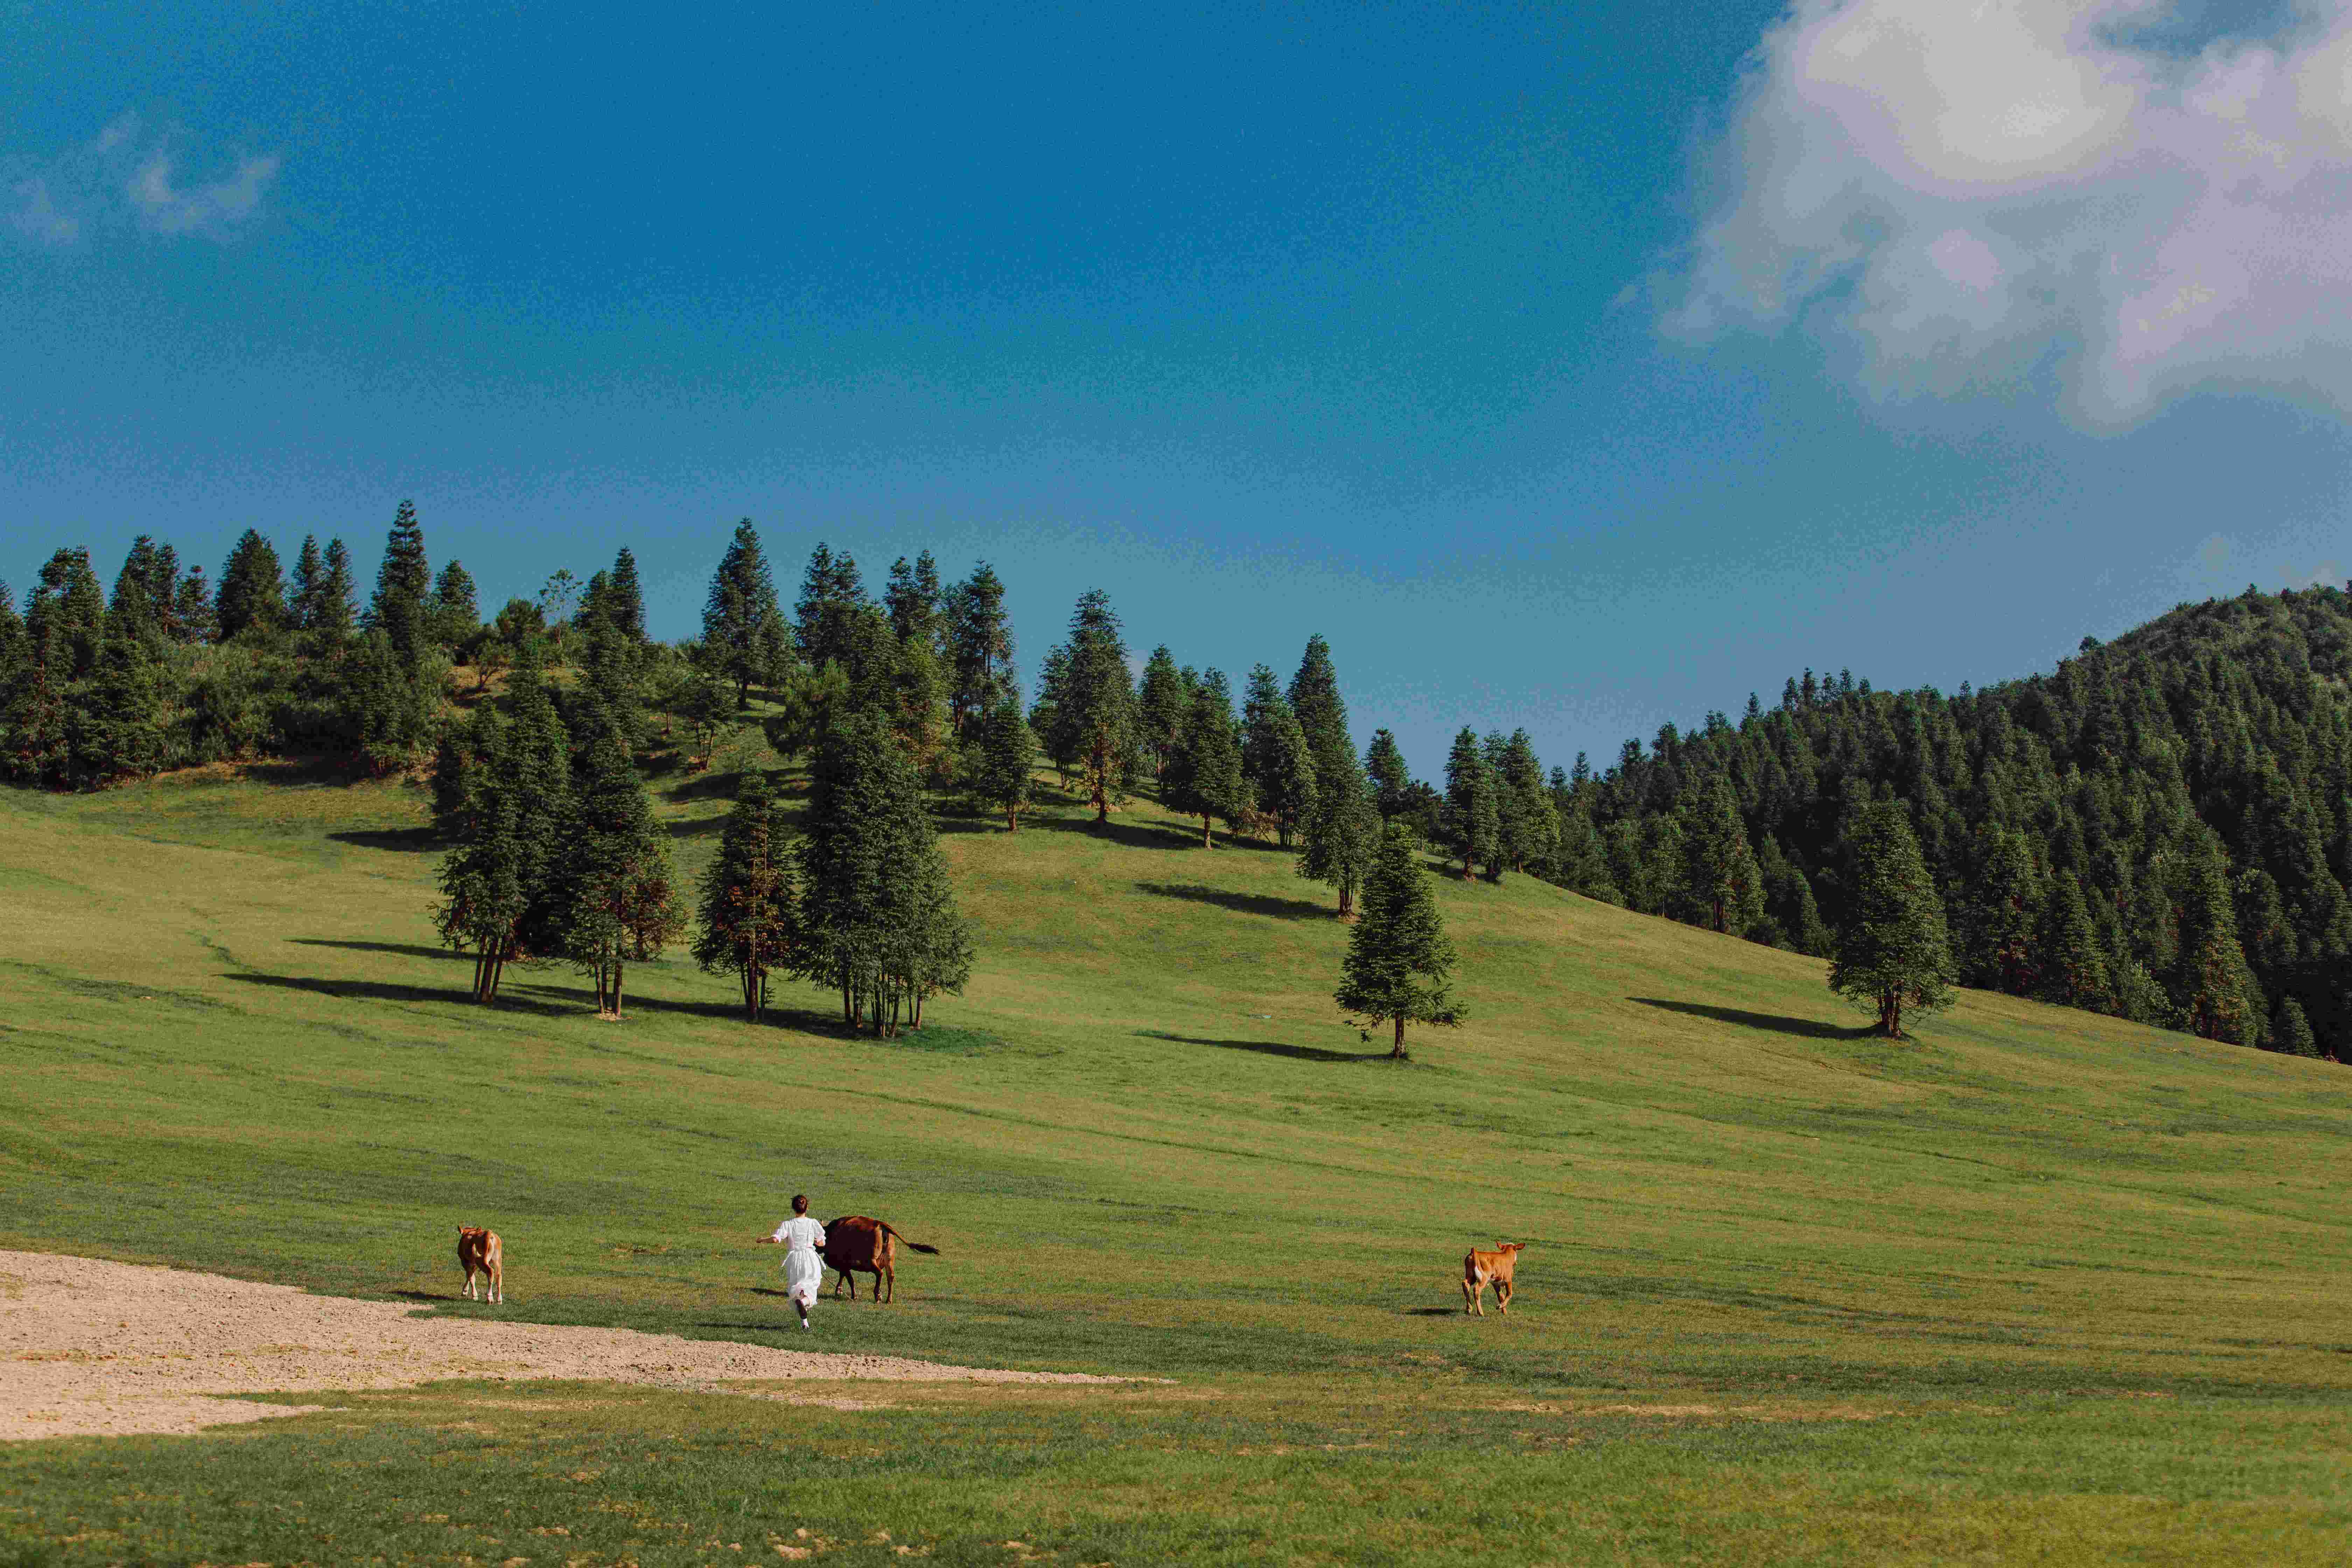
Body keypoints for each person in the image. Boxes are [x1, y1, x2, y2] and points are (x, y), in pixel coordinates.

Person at [755, 1194, 828, 1330]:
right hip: (811, 1258)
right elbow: (822, 1242)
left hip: (794, 1260)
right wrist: (819, 1242)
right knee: (811, 1288)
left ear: (793, 1208)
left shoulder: (787, 1225)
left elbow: (776, 1239)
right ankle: (804, 1303)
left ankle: (805, 1322)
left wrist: (763, 1240)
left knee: (798, 1287)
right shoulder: (813, 1223)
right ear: (808, 1207)